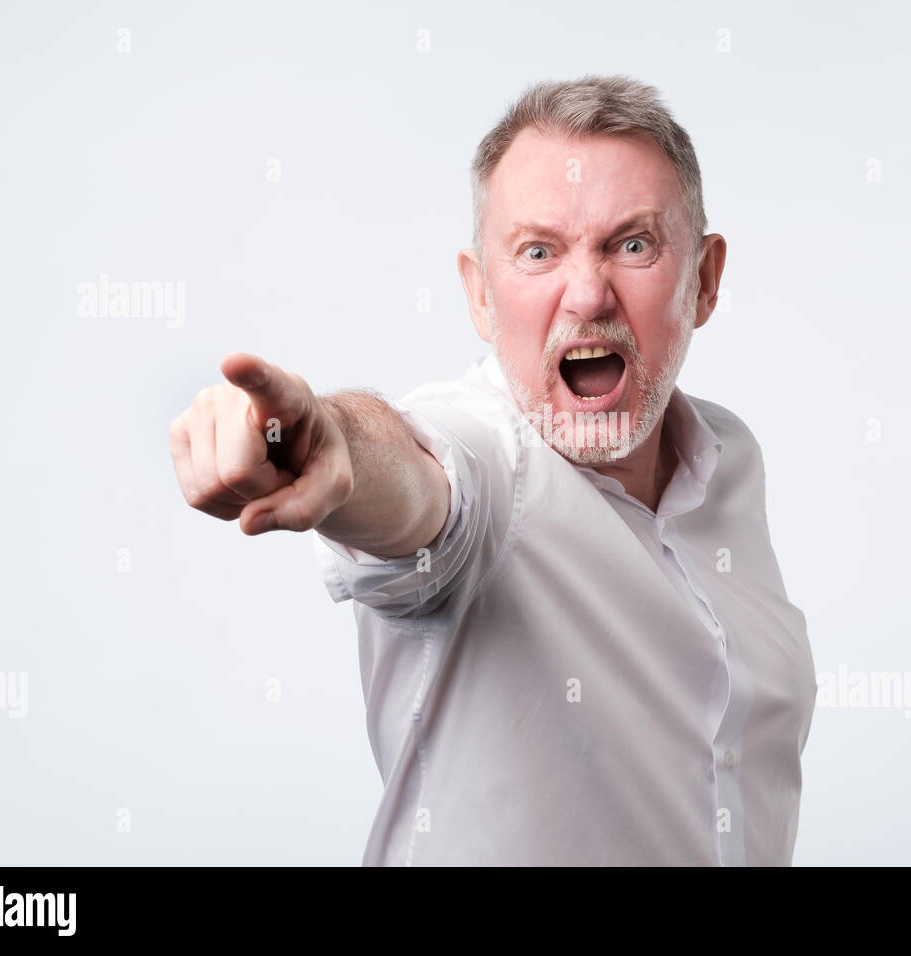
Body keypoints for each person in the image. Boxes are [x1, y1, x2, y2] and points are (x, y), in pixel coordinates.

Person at [168, 74, 815, 865]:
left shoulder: (729, 459)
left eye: (633, 244)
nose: (587, 294)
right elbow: (417, 478)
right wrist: (325, 442)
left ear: (704, 281)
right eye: (538, 251)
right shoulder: (488, 464)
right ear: (479, 294)